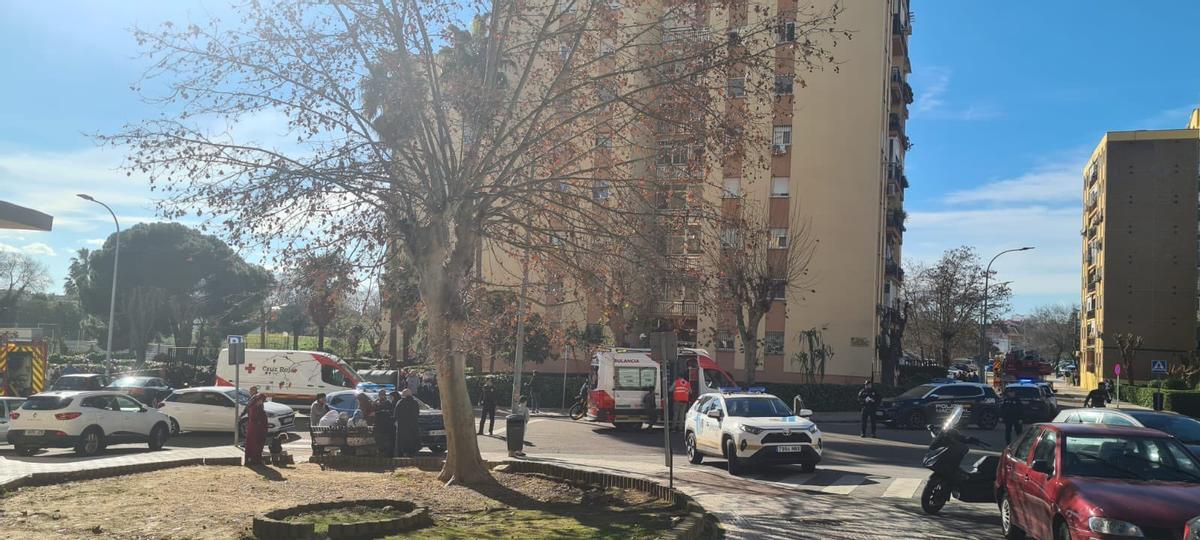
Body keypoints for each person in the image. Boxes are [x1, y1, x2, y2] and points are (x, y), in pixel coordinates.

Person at [243, 386, 268, 465]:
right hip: (255, 428)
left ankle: (254, 459)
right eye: (260, 400)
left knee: (256, 443)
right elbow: (255, 417)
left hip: (256, 427)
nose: (261, 402)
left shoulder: (256, 406)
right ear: (257, 400)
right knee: (255, 443)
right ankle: (254, 460)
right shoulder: (254, 407)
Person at [394, 388, 421, 457]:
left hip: (403, 425)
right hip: (413, 425)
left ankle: (404, 452)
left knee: (404, 440)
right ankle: (414, 452)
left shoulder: (400, 402)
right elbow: (417, 413)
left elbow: (396, 414)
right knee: (413, 438)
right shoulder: (415, 403)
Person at [375, 391, 395, 457]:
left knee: (385, 440)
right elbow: (374, 410)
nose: (380, 396)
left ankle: (386, 453)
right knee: (379, 440)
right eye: (380, 395)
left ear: (384, 396)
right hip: (378, 425)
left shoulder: (388, 403)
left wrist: (379, 411)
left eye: (382, 395)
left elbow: (389, 412)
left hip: (385, 425)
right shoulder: (377, 402)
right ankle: (380, 452)